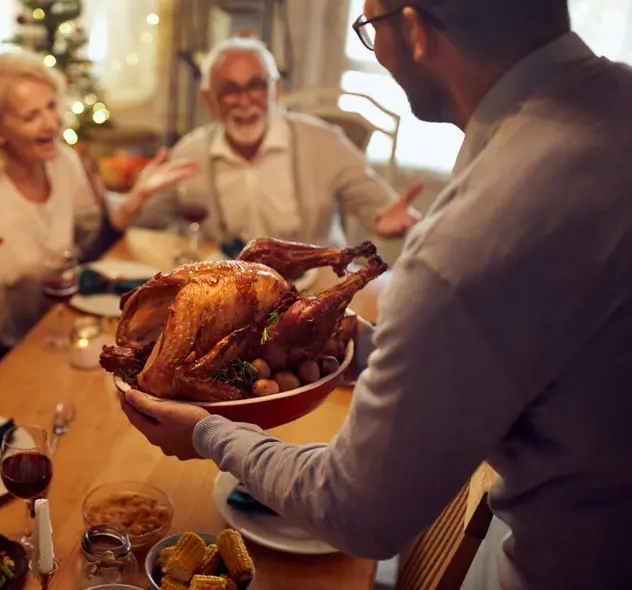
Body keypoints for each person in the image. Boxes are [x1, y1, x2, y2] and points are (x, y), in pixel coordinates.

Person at [119, 2, 632, 589]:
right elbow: (529, 341)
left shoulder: (473, 236)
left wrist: (206, 433)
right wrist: (375, 348)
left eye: (368, 28)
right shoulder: (614, 104)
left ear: (413, 29)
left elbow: (356, 510)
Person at [0, 51, 199, 357]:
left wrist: (133, 201)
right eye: (31, 116)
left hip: (59, 329)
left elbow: (89, 250)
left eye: (51, 106)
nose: (51, 123)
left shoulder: (64, 162)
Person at [134, 36, 422, 247]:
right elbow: (146, 219)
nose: (245, 102)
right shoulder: (190, 152)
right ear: (208, 100)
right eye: (229, 90)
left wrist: (389, 220)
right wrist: (134, 200)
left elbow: (376, 206)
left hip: (314, 288)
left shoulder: (324, 142)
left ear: (277, 90)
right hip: (231, 290)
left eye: (257, 86)